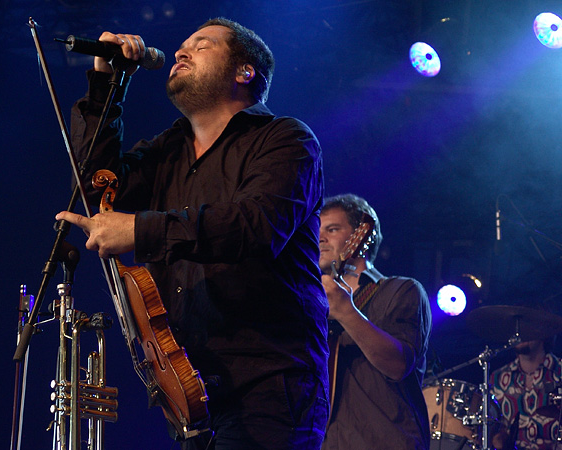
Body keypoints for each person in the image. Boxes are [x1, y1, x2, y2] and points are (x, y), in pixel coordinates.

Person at [56, 18, 329, 450]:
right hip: (187, 388)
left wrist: (139, 229)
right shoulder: (168, 149)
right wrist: (106, 83)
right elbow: (97, 186)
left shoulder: (286, 140)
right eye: (182, 46)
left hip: (267, 388)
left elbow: (254, 226)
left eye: (201, 45)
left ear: (244, 72)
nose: (181, 52)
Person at [319, 193, 432, 450]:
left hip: (384, 441)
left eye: (332, 229)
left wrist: (346, 312)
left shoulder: (401, 290)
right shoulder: (311, 308)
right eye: (318, 230)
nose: (320, 238)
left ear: (361, 237)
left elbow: (398, 365)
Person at [490, 337, 562, 450]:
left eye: (527, 326)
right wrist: (498, 438)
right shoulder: (498, 378)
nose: (521, 334)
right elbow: (497, 426)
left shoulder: (559, 372)